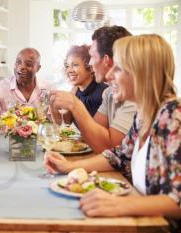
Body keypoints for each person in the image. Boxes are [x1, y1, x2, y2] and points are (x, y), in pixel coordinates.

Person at [46, 34, 181, 231]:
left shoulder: (172, 117)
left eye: (118, 69)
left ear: (140, 72)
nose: (109, 76)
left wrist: (118, 204)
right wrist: (67, 167)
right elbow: (118, 157)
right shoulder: (145, 113)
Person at [50, 26, 136, 153]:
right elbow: (91, 137)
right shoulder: (109, 93)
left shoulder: (135, 97)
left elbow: (112, 148)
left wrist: (75, 104)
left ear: (106, 60)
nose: (89, 63)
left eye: (92, 57)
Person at [0, 47, 48, 122]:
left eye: (28, 64)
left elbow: (55, 121)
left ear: (38, 68)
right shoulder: (0, 88)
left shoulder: (47, 89)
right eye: (18, 62)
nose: (21, 67)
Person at [60, 45, 107, 125]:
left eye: (75, 65)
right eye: (67, 66)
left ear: (90, 67)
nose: (69, 70)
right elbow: (67, 122)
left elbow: (96, 132)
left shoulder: (104, 93)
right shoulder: (74, 91)